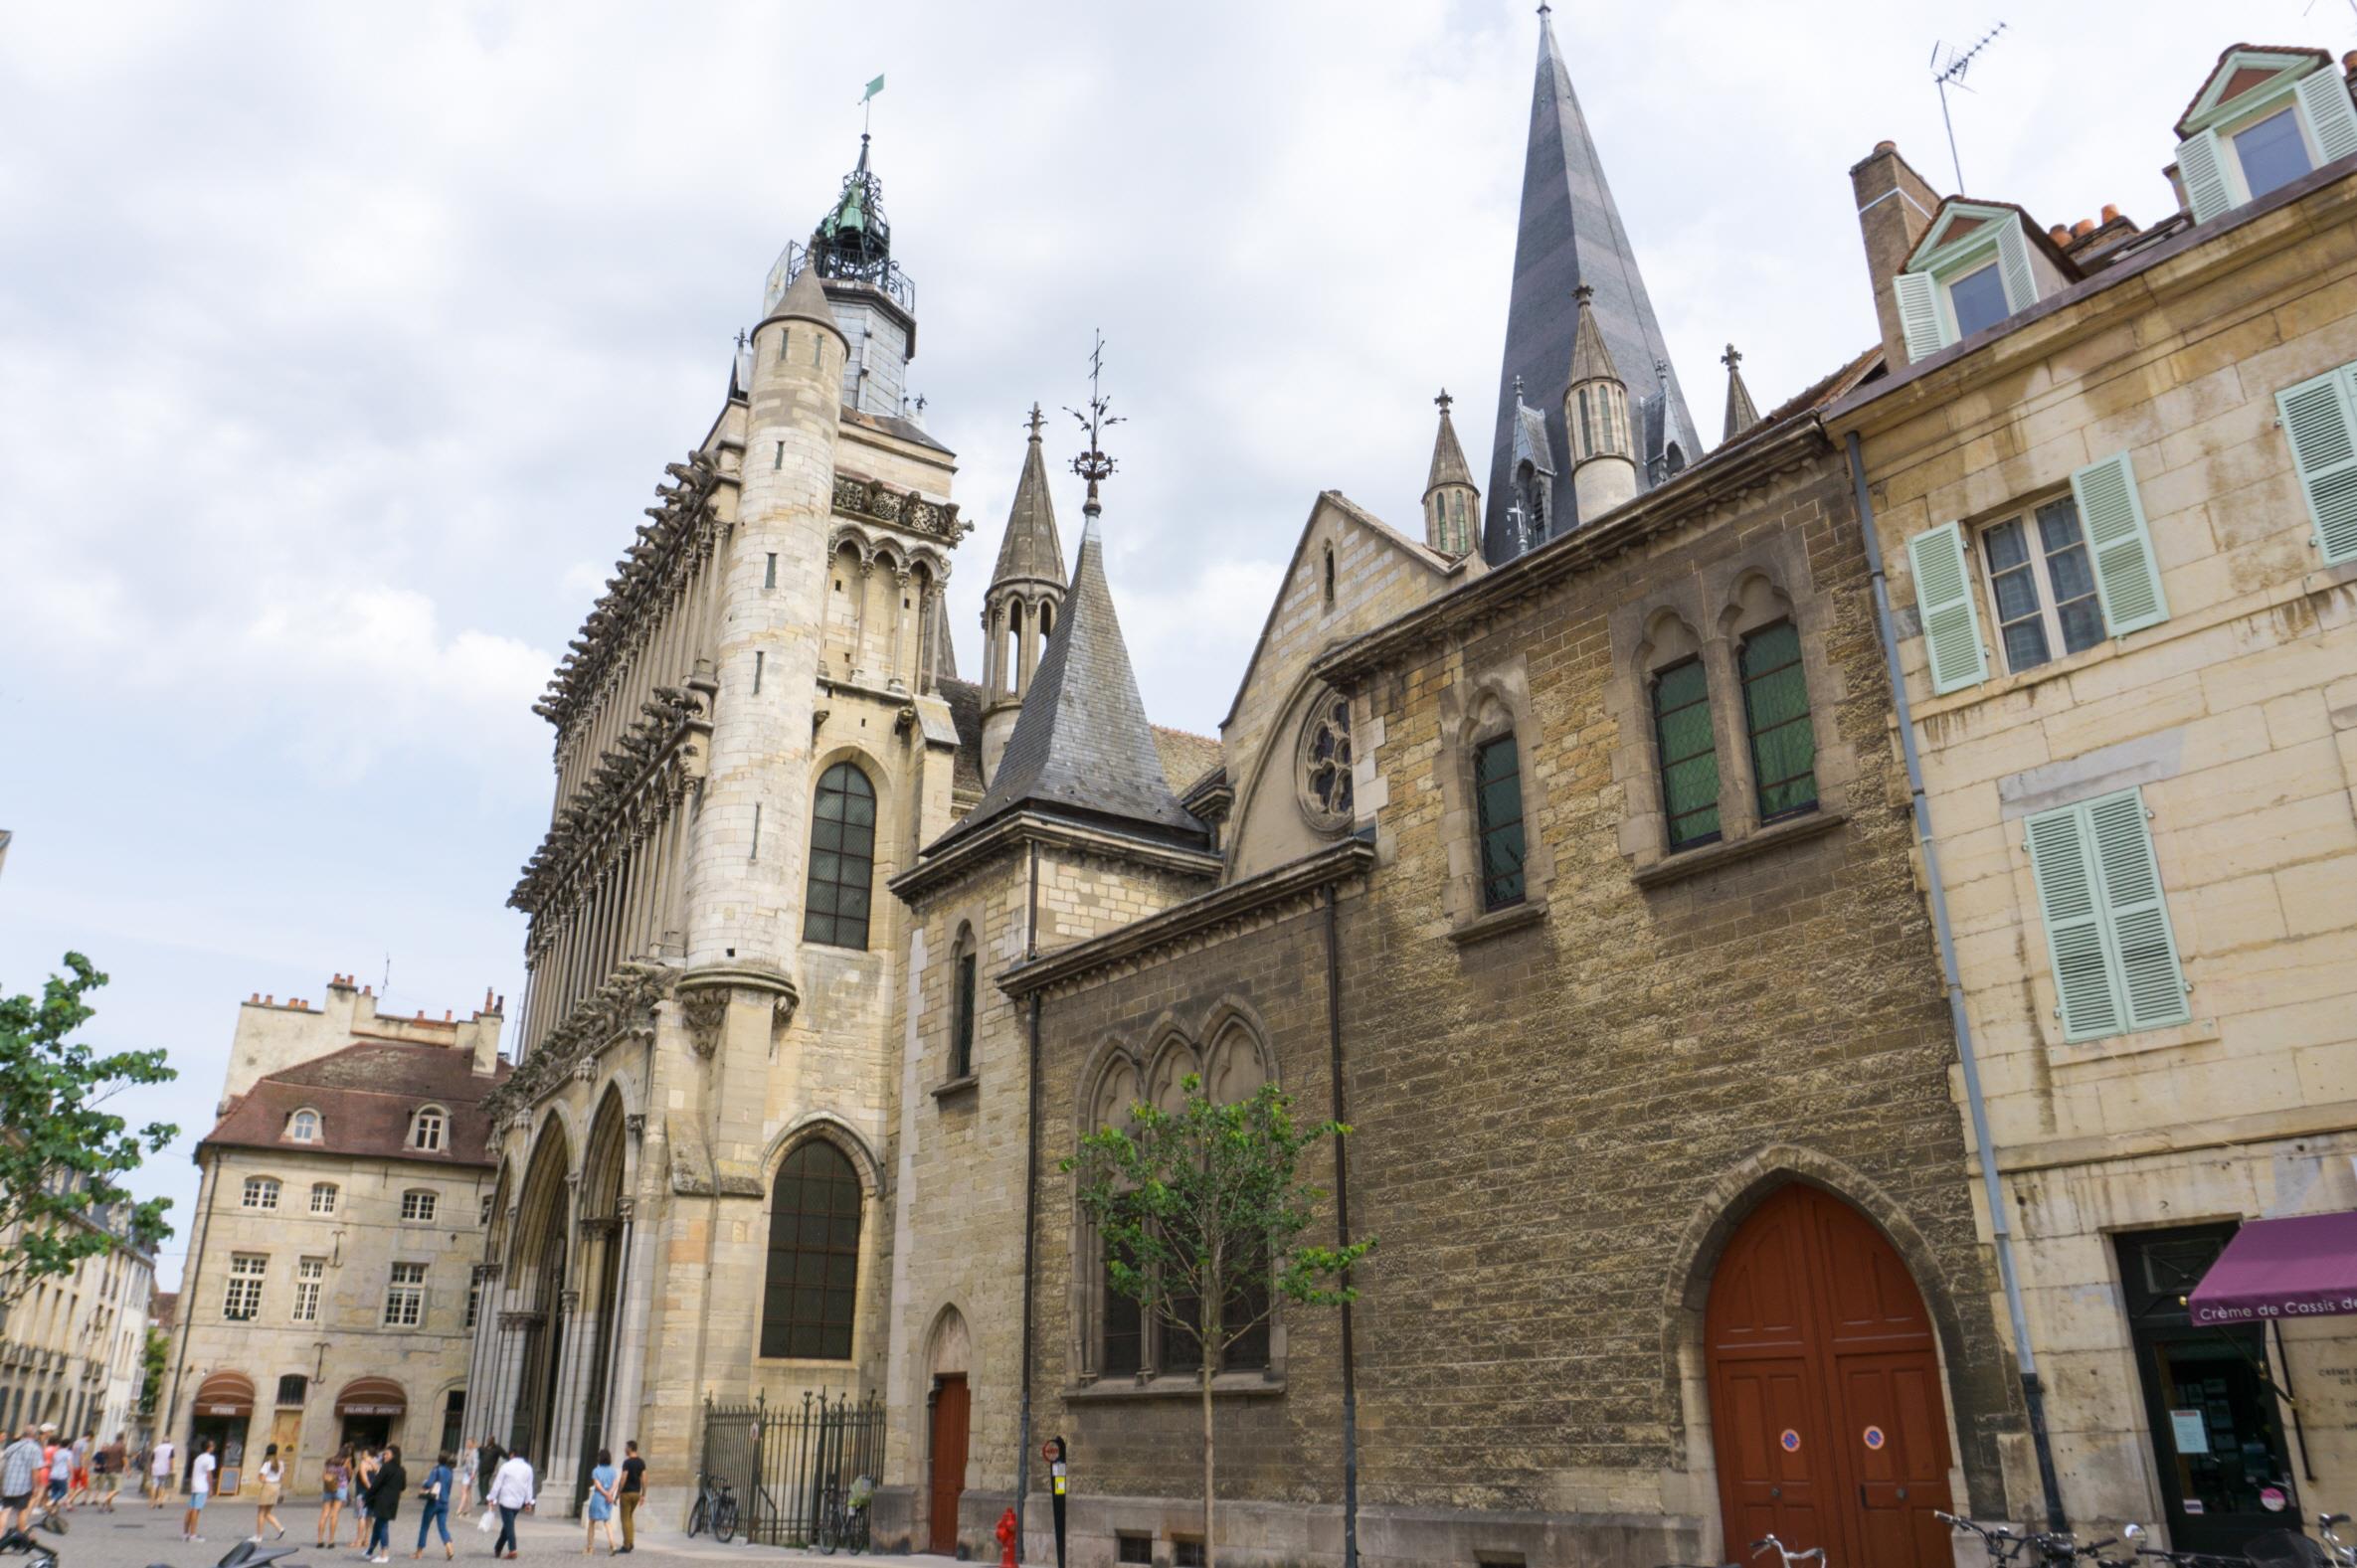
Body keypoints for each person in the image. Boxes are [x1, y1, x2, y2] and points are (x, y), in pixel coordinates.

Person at [485, 1448, 534, 1562]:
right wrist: (528, 1502)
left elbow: (497, 1483)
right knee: (508, 1525)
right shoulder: (528, 1468)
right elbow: (529, 1487)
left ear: (512, 1455)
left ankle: (513, 1549)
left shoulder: (506, 1466)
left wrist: (491, 1497)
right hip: (518, 1501)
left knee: (509, 1526)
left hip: (506, 1500)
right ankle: (498, 1548)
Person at [363, 1445, 407, 1563]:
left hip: (382, 1500)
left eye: (387, 1454)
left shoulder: (386, 1467)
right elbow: (403, 1487)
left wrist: (366, 1496)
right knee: (378, 1524)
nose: (384, 1456)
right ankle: (370, 1551)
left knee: (382, 1526)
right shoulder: (401, 1470)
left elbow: (376, 1484)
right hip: (393, 1501)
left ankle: (384, 1554)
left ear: (393, 1455)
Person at [1, 1425, 45, 1538]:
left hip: (8, 1484)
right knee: (22, 1511)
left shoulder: (12, 1446)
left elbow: (4, 1464)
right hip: (24, 1486)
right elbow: (35, 1470)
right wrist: (36, 1487)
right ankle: (22, 1534)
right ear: (35, 1436)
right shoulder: (35, 1449)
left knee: (5, 1510)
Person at [412, 1449, 453, 1561]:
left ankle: (419, 1552)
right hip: (444, 1502)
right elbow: (449, 1488)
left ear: (439, 1459)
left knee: (424, 1526)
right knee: (442, 1527)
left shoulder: (436, 1470)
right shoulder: (450, 1471)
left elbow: (429, 1483)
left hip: (434, 1502)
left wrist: (424, 1483)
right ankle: (449, 1546)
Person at [583, 1450, 617, 1556]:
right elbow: (615, 1483)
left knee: (592, 1522)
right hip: (608, 1499)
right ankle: (613, 1544)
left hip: (598, 1497)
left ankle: (590, 1547)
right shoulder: (613, 1471)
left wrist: (605, 1494)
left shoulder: (596, 1471)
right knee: (607, 1522)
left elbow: (597, 1485)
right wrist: (610, 1494)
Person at [615, 1441, 644, 1556]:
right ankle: (631, 1542)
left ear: (631, 1448)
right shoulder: (641, 1462)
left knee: (624, 1519)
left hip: (626, 1493)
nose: (625, 1449)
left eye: (626, 1447)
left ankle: (626, 1545)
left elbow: (623, 1478)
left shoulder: (627, 1462)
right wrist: (643, 1494)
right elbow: (644, 1478)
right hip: (636, 1493)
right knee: (630, 1518)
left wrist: (618, 1493)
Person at [184, 1437, 217, 1543]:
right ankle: (193, 1535)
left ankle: (186, 1533)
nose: (214, 1447)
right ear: (209, 1448)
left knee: (190, 1509)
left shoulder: (198, 1458)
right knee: (196, 1511)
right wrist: (211, 1488)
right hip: (202, 1486)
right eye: (212, 1445)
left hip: (195, 1485)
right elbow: (209, 1474)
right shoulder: (209, 1458)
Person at [253, 1441, 285, 1541]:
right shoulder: (281, 1463)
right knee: (267, 1512)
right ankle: (280, 1528)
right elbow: (282, 1477)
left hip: (268, 1486)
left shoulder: (267, 1463)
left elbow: (261, 1477)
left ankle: (259, 1536)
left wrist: (264, 1480)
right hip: (276, 1486)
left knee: (261, 1512)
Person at [318, 1445, 351, 1547]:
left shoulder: (329, 1461)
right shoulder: (346, 1462)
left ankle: (319, 1540)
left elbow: (323, 1475)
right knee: (334, 1515)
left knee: (324, 1514)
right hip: (340, 1488)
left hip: (328, 1488)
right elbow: (349, 1474)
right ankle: (331, 1540)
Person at [350, 1444, 379, 1548]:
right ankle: (367, 1540)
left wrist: (369, 1489)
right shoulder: (375, 1464)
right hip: (372, 1494)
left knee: (361, 1516)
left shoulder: (363, 1464)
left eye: (364, 1453)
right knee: (369, 1517)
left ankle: (358, 1540)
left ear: (367, 1454)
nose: (362, 1454)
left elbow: (364, 1479)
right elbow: (378, 1475)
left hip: (362, 1493)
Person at [96, 1432, 126, 1511]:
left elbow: (106, 1457)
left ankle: (109, 1506)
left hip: (108, 1471)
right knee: (118, 1489)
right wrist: (128, 1469)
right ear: (123, 1438)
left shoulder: (111, 1446)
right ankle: (104, 1500)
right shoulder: (121, 1446)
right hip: (117, 1470)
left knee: (110, 1489)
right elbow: (124, 1458)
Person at [148, 1435, 175, 1507]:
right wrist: (171, 1469)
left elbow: (152, 1459)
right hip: (164, 1469)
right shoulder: (171, 1448)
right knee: (162, 1485)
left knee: (154, 1485)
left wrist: (150, 1469)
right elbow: (171, 1459)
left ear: (162, 1441)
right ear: (169, 1441)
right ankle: (160, 1501)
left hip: (155, 1468)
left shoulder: (156, 1448)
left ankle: (152, 1503)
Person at [453, 1441, 476, 1518]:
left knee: (464, 1491)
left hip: (470, 1474)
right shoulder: (467, 1451)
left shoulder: (475, 1452)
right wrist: (465, 1457)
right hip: (466, 1473)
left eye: (469, 1443)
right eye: (466, 1443)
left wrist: (473, 1473)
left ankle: (459, 1510)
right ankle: (468, 1510)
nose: (467, 1444)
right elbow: (463, 1462)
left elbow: (476, 1463)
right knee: (468, 1492)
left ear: (472, 1444)